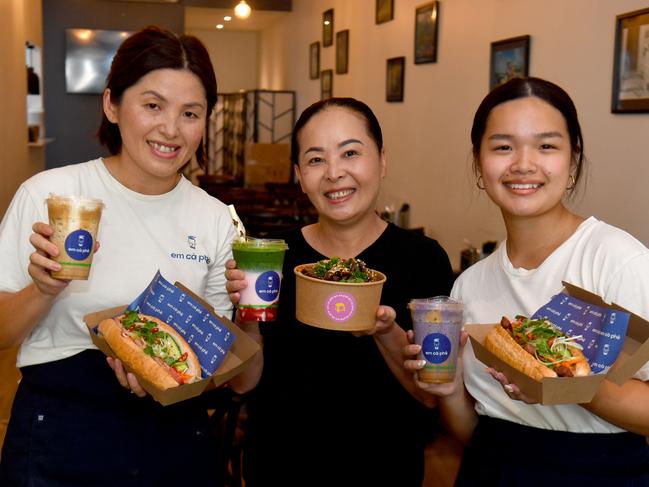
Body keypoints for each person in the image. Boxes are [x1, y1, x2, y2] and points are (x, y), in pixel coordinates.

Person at [0, 26, 257, 486]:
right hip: (60, 434)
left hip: (176, 438)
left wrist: (173, 378)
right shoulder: (52, 196)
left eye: (191, 113)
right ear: (111, 104)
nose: (171, 129)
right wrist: (43, 290)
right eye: (153, 105)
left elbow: (223, 368)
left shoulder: (218, 220)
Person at [405, 77, 649, 486]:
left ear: (573, 160)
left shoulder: (615, 261)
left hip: (602, 474)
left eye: (546, 146)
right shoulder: (469, 286)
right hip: (493, 469)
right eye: (503, 146)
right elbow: (479, 431)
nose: (523, 163)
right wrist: (447, 389)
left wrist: (565, 386)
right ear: (479, 162)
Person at [225, 97, 454, 486]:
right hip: (279, 466)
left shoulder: (422, 258)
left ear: (382, 160)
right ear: (299, 174)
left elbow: (432, 395)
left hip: (384, 468)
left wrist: (386, 332)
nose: (334, 173)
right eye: (316, 160)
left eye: (350, 153)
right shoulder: (271, 257)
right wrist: (247, 312)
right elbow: (243, 383)